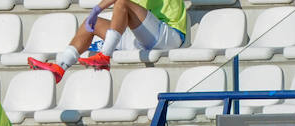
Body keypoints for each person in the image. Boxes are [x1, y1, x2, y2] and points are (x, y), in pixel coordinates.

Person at [28, 0, 187, 81]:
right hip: (141, 36)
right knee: (92, 23)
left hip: (169, 36)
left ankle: (105, 56)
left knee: (122, 3)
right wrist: (95, 12)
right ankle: (61, 67)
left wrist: (99, 8)